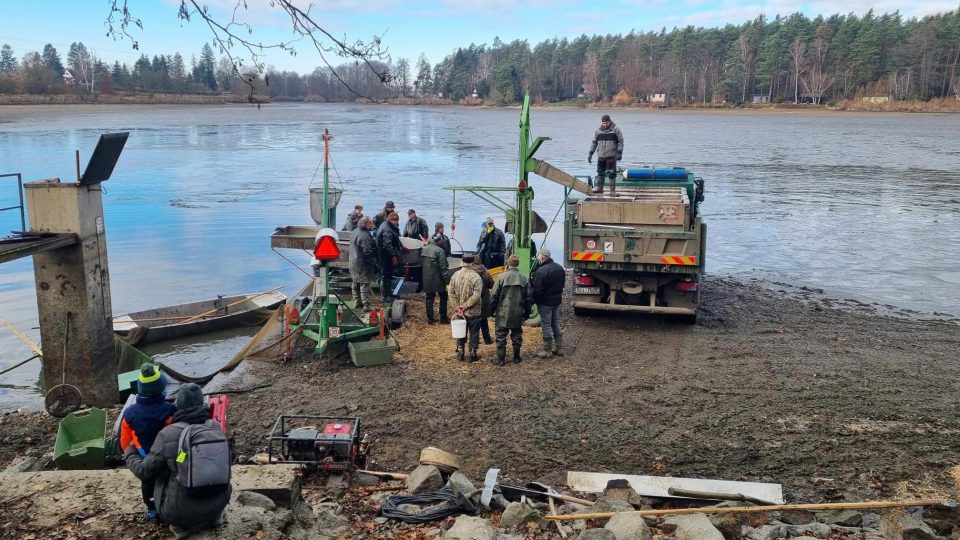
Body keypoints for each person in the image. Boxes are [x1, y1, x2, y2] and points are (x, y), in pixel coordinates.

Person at [125, 383, 231, 539]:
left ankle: (181, 527)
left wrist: (130, 452)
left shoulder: (168, 434)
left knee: (161, 471)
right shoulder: (215, 427)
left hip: (178, 514)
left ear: (178, 406)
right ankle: (214, 516)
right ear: (203, 404)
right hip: (218, 504)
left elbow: (144, 472)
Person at [120, 363, 176, 521]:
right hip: (165, 455)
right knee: (168, 478)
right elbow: (173, 433)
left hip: (144, 454)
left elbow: (125, 440)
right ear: (162, 389)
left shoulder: (130, 413)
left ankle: (152, 509)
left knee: (148, 483)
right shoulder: (169, 410)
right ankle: (168, 503)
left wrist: (128, 451)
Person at [489, 255, 532, 365]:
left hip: (502, 312)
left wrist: (491, 311)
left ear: (508, 264)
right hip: (518, 312)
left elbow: (493, 296)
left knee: (501, 336)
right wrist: (526, 313)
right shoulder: (524, 279)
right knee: (517, 335)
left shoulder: (501, 277)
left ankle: (500, 359)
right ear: (517, 264)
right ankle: (517, 358)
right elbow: (528, 299)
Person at [448, 254, 484, 362]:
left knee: (461, 331)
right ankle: (472, 353)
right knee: (474, 332)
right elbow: (477, 295)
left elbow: (451, 292)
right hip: (473, 311)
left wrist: (457, 307)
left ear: (462, 262)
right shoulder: (476, 277)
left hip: (459, 312)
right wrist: (465, 306)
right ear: (472, 263)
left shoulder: (455, 275)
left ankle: (460, 351)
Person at [531, 248, 566, 358]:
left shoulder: (541, 271)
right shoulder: (559, 268)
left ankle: (547, 350)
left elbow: (537, 290)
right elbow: (562, 285)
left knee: (546, 325)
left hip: (545, 303)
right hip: (556, 301)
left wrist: (536, 301)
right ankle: (559, 348)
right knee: (555, 323)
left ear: (542, 257)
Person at [587, 114, 624, 194]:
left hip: (611, 156)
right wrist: (590, 153)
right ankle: (600, 189)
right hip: (601, 156)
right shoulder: (598, 131)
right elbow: (594, 143)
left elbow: (621, 142)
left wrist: (620, 152)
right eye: (604, 123)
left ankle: (612, 192)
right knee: (600, 172)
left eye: (607, 123)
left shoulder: (616, 130)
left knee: (612, 173)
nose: (605, 125)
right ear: (602, 123)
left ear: (610, 121)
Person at [349, 216, 378, 311]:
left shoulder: (354, 231)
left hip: (353, 261)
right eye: (371, 223)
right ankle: (366, 305)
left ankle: (357, 302)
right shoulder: (365, 236)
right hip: (362, 263)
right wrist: (374, 264)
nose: (373, 225)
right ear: (366, 224)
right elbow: (368, 252)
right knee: (364, 284)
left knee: (355, 282)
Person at [375, 212, 404, 301]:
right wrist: (393, 257)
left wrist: (402, 246)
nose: (396, 222)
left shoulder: (389, 226)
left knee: (389, 275)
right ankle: (384, 296)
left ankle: (389, 293)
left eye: (397, 220)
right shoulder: (387, 229)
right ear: (390, 220)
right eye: (395, 220)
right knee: (385, 275)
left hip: (387, 255)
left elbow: (395, 238)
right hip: (385, 256)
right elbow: (387, 244)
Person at [421, 236, 450, 324]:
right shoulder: (440, 251)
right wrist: (447, 281)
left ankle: (430, 318)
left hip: (427, 278)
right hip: (438, 279)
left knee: (429, 297)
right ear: (439, 242)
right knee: (444, 296)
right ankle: (443, 318)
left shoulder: (424, 249)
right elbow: (444, 268)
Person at [467, 255, 495, 345]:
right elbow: (492, 285)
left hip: (472, 300)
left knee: (473, 322)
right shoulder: (486, 272)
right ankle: (487, 340)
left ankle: (475, 341)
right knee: (483, 321)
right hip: (484, 300)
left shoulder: (469, 273)